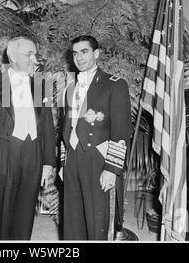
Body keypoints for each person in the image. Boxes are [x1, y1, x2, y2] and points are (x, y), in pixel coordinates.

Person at [62, 35, 132, 240]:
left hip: (98, 157)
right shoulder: (70, 87)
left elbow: (121, 131)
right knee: (72, 221)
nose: (79, 58)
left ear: (96, 54)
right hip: (72, 157)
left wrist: (112, 168)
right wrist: (62, 162)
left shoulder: (114, 84)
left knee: (96, 223)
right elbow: (66, 128)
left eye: (84, 52)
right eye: (75, 54)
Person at [0, 36, 56, 240]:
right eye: (29, 54)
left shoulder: (40, 85)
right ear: (12, 56)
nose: (34, 59)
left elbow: (47, 125)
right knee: (1, 211)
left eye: (35, 54)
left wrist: (48, 162)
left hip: (33, 154)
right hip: (5, 154)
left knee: (26, 211)